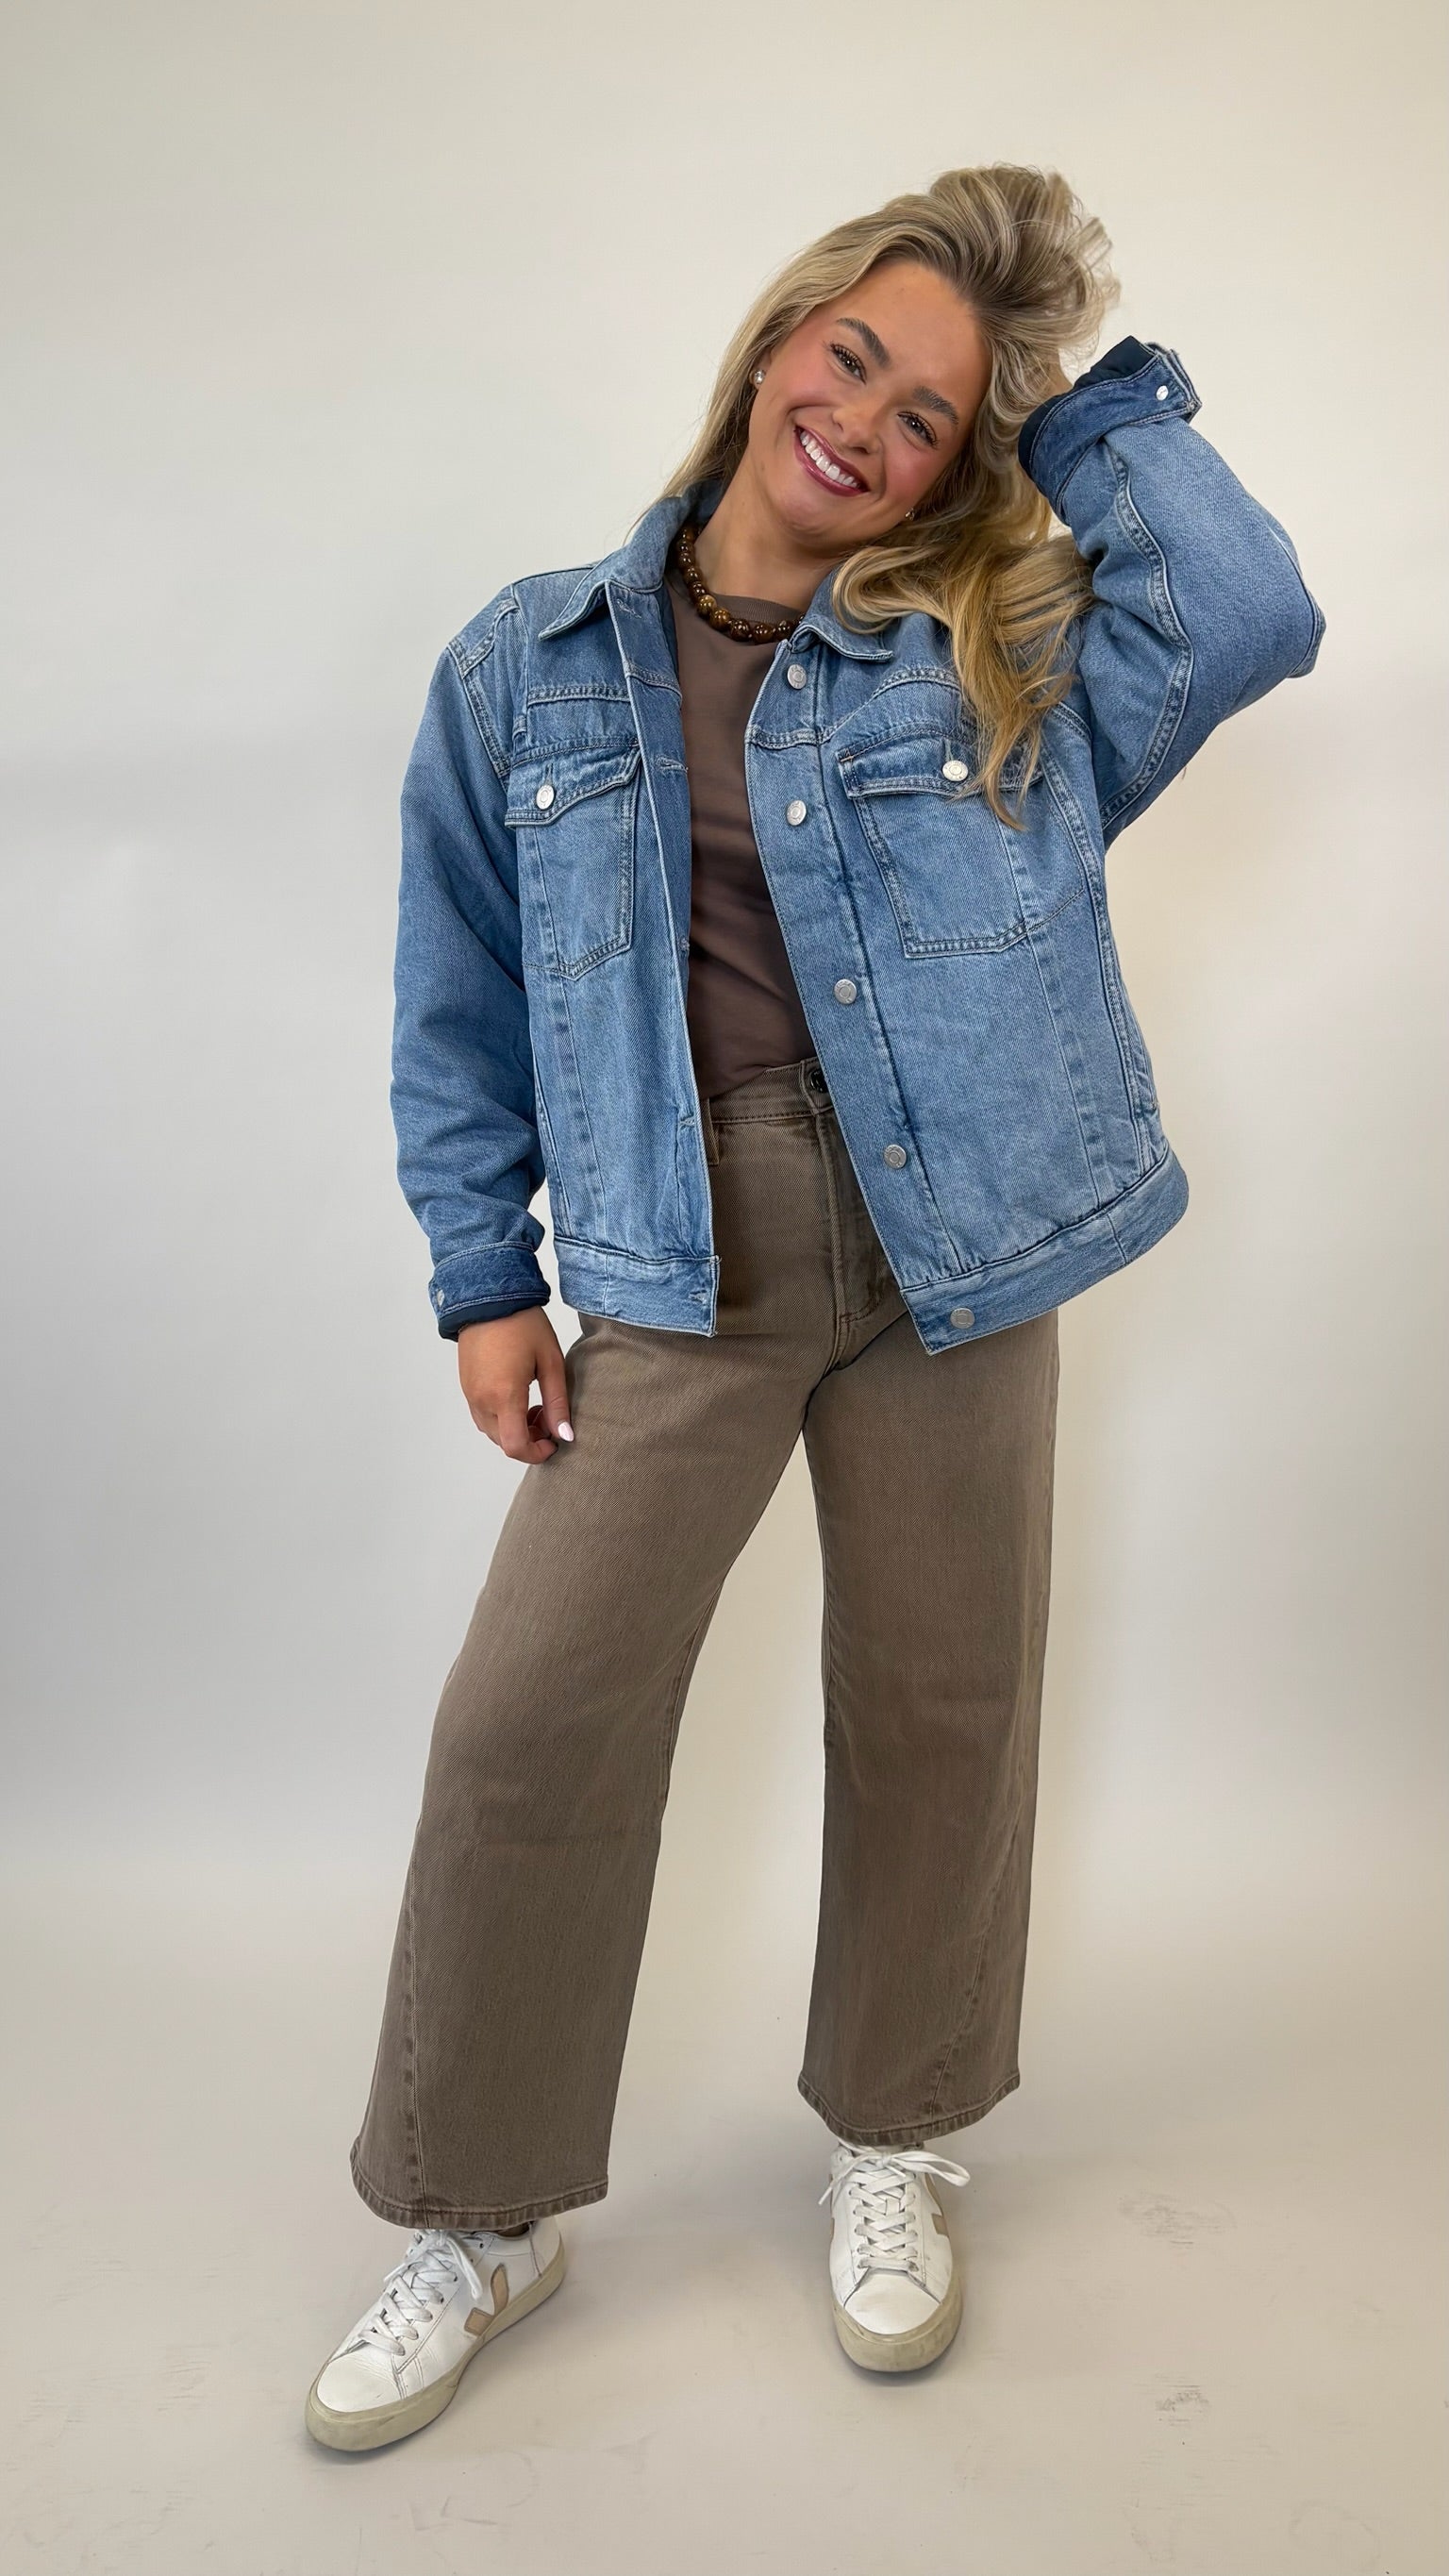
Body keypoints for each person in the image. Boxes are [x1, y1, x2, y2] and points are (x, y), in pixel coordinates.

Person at [305, 162, 1324, 2451]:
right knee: (529, 1725)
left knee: (943, 1702)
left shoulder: (997, 663)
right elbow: (453, 994)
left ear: (977, 458)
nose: (868, 419)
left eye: (938, 413)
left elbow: (1248, 605)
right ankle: (480, 2207)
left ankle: (897, 2134)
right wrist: (487, 1277)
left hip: (968, 1244)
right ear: (775, 346)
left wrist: (1075, 412)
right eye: (851, 355)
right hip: (687, 1250)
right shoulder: (527, 664)